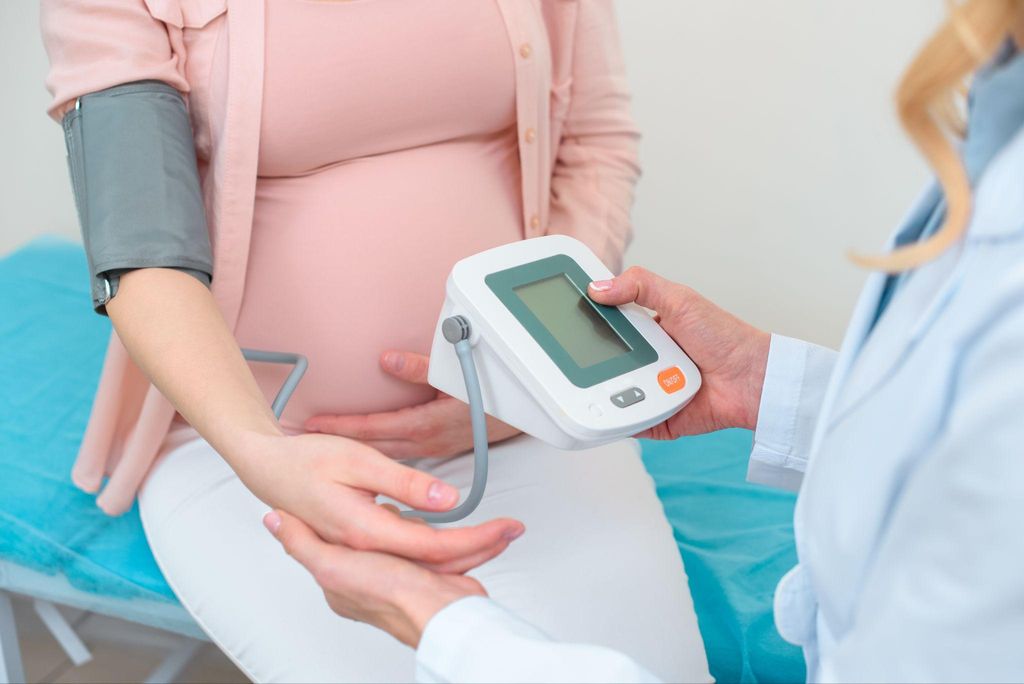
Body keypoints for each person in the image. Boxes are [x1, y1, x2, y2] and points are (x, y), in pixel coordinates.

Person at [265, 1, 1024, 681]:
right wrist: (768, 385)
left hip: (523, 452)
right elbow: (950, 431)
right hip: (270, 441)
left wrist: (449, 632)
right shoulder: (999, 118)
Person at [40, 1, 710, 681]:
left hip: (527, 419)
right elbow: (142, 249)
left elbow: (595, 144)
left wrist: (526, 382)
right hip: (255, 448)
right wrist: (264, 456)